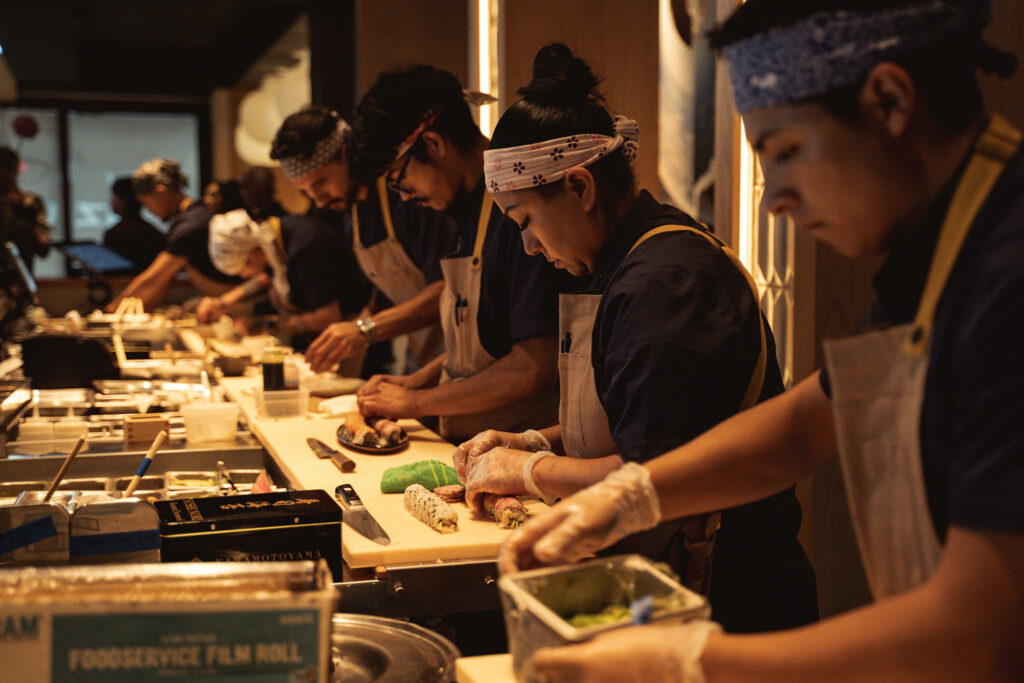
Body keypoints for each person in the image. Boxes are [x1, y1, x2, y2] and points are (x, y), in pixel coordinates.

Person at [499, 1, 1024, 680]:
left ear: (890, 100)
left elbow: (983, 631)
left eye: (783, 152)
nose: (772, 196)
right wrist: (630, 494)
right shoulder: (943, 245)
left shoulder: (1007, 270)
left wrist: (694, 659)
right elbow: (811, 422)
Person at [454, 43, 816, 633]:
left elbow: (657, 476)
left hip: (728, 604)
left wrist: (526, 472)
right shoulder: (626, 262)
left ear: (579, 188)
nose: (529, 248)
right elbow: (641, 419)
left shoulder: (664, 284)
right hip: (668, 585)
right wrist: (532, 441)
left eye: (526, 222)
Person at [349, 64, 564, 444]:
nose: (403, 196)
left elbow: (532, 367)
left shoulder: (513, 209)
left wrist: (415, 403)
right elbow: (487, 348)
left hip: (527, 455)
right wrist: (415, 383)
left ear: (432, 143)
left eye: (398, 178)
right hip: (477, 451)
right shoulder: (463, 211)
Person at [269, 106, 450, 373]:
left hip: (462, 360)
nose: (318, 199)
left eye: (321, 183)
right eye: (307, 191)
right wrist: (351, 334)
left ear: (345, 154)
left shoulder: (407, 194)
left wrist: (364, 329)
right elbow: (390, 290)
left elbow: (448, 289)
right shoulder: (351, 210)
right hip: (420, 360)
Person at [196, 207, 370, 341]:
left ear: (253, 255)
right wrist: (223, 302)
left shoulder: (305, 247)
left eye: (241, 271)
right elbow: (267, 275)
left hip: (354, 333)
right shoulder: (272, 237)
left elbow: (326, 317)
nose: (243, 277)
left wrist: (261, 323)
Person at [107, 158, 241, 312]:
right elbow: (163, 283)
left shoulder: (189, 226)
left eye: (146, 202)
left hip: (240, 305)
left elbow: (153, 280)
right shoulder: (196, 216)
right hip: (228, 304)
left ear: (161, 192)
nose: (148, 210)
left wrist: (110, 312)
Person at [0, 146, 51, 275]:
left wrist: (24, 223)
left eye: (6, 169)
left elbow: (44, 248)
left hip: (21, 281)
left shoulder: (30, 202)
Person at [103, 177, 165, 272]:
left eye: (115, 197)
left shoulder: (113, 234)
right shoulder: (152, 231)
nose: (111, 201)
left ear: (123, 201)